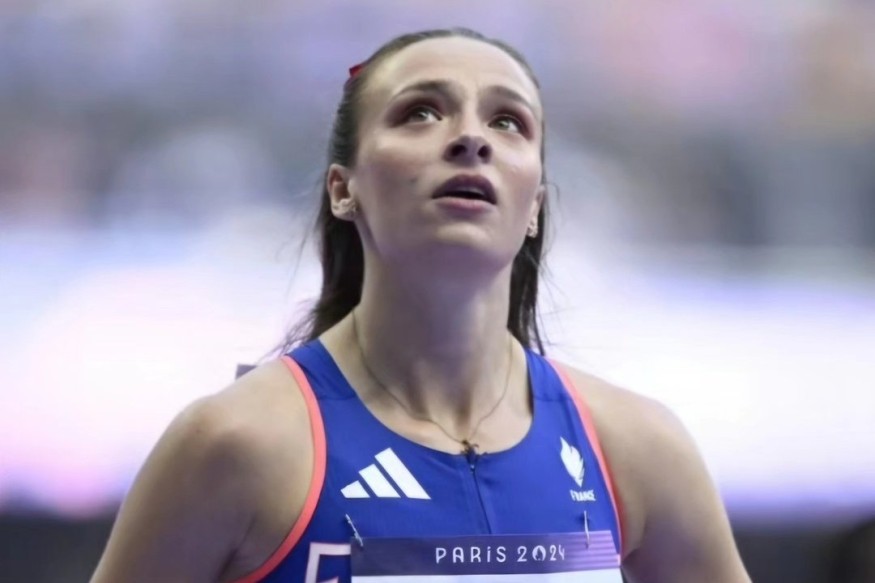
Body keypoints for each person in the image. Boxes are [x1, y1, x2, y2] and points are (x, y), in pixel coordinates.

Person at [90, 27, 751, 583]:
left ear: (535, 207)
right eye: (420, 113)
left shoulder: (637, 448)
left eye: (507, 121)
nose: (471, 139)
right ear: (342, 190)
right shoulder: (235, 444)